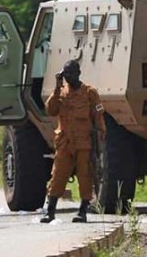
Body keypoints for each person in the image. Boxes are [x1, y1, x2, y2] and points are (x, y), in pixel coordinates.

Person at [40, 60, 106, 223]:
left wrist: (101, 133)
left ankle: (83, 210)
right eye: (65, 74)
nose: (68, 77)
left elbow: (98, 115)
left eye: (70, 74)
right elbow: (50, 110)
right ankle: (50, 211)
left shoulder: (90, 93)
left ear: (78, 74)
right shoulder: (60, 93)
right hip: (64, 142)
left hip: (84, 142)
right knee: (58, 175)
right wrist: (57, 86)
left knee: (85, 176)